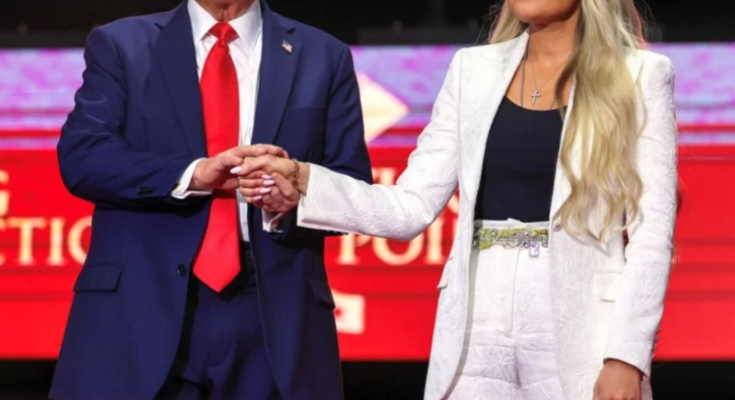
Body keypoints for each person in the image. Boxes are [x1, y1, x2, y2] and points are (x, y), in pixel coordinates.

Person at [236, 0, 678, 399]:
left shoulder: (640, 75)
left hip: (583, 330)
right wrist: (305, 178)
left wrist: (626, 356)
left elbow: (652, 234)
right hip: (474, 327)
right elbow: (409, 207)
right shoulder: (473, 70)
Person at [50, 0, 372, 399]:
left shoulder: (323, 54)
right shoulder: (121, 44)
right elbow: (84, 158)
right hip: (140, 301)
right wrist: (195, 174)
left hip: (273, 313)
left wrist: (295, 200)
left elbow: (352, 187)